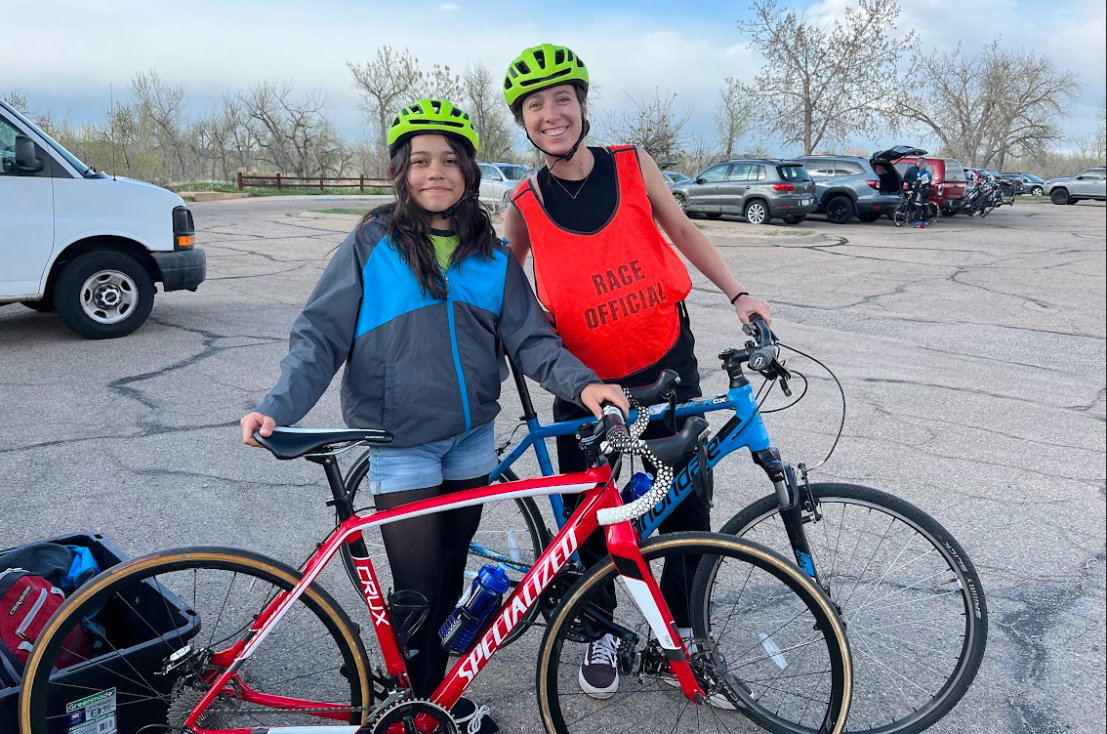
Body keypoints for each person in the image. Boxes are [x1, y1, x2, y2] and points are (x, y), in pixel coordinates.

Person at [239, 98, 628, 732]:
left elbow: (532, 341)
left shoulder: (493, 256)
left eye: (448, 160)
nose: (435, 173)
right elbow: (320, 336)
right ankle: (419, 708)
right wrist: (277, 406)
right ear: (401, 172)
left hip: (470, 440)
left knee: (448, 577)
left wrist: (585, 387)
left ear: (468, 171)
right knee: (418, 590)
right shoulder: (371, 243)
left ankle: (431, 699)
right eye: (420, 161)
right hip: (402, 443)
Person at [499, 44, 772, 700]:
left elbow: (682, 229)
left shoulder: (630, 163)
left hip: (664, 362)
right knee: (585, 512)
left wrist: (739, 294)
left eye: (562, 99)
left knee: (685, 501)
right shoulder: (523, 203)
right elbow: (500, 291)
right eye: (535, 106)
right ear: (524, 122)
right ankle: (599, 627)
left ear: (582, 106)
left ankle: (686, 633)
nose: (551, 113)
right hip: (584, 383)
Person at [910, 158, 933, 228]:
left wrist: (914, 189)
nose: (916, 163)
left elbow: (918, 183)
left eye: (918, 162)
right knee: (925, 207)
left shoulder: (920, 173)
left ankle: (918, 222)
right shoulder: (928, 173)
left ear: (920, 164)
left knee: (918, 207)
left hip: (921, 191)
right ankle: (925, 222)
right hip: (927, 191)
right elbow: (929, 183)